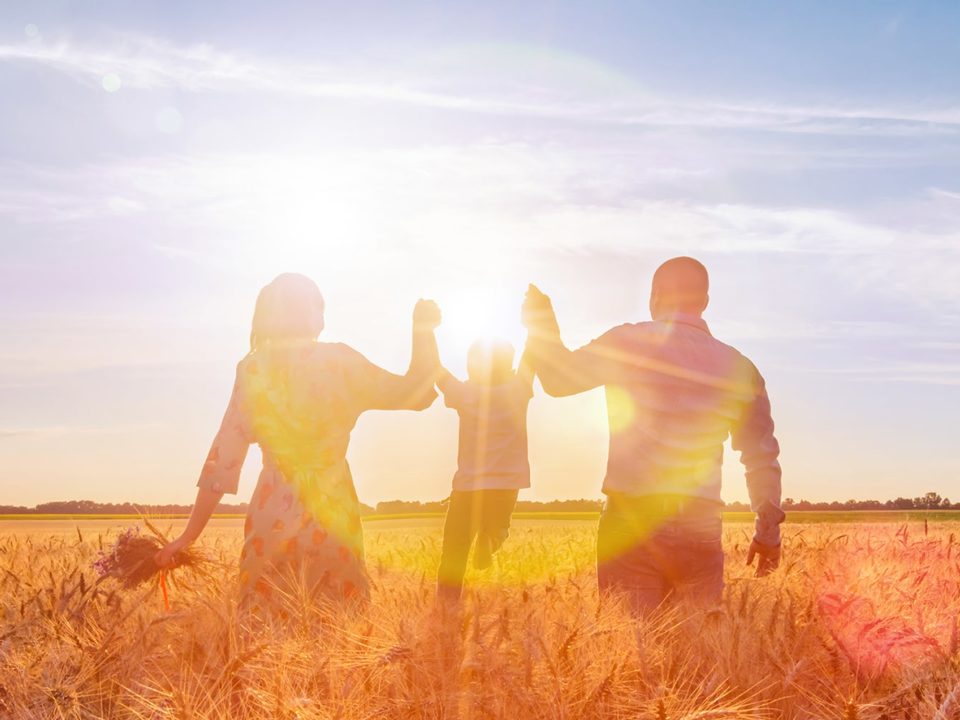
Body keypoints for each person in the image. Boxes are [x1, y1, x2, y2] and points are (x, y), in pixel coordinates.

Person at [155, 273, 441, 607]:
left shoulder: (253, 370)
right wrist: (424, 332)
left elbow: (222, 462)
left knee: (263, 624)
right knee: (339, 628)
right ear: (315, 315)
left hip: (271, 515)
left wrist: (187, 538)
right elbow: (418, 395)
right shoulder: (341, 362)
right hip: (334, 514)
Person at [522, 257, 783, 614]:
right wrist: (768, 533)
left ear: (655, 295)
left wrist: (540, 323)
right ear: (705, 302)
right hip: (700, 524)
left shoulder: (628, 340)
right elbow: (761, 456)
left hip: (631, 521)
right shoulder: (741, 368)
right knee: (697, 656)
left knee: (632, 653)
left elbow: (557, 380)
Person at [435, 337, 535, 601]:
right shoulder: (519, 388)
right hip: (507, 483)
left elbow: (436, 370)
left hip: (468, 486)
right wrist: (535, 318)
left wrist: (427, 328)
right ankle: (490, 538)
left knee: (453, 554)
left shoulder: (466, 394)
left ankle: (446, 607)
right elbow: (533, 352)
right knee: (500, 526)